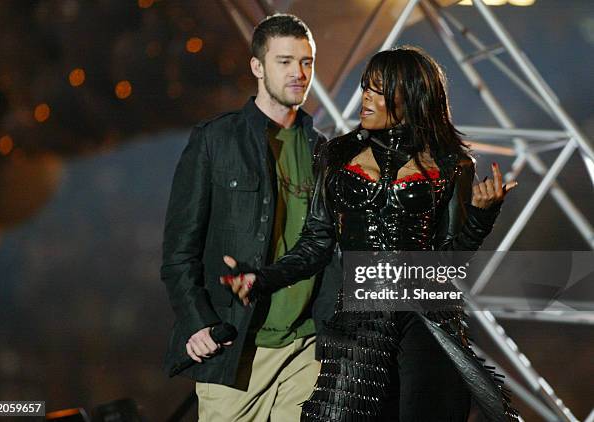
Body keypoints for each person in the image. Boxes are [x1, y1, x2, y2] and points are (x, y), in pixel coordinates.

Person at [222, 46, 520, 421]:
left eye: (379, 90)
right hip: (359, 319)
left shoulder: (453, 165)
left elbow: (448, 260)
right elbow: (316, 243)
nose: (366, 97)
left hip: (427, 318)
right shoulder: (336, 155)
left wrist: (481, 217)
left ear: (411, 96)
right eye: (366, 86)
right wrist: (262, 279)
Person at [160, 13, 342, 422]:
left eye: (306, 61)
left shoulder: (324, 152)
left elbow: (328, 248)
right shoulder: (215, 141)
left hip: (305, 351)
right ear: (257, 66)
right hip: (237, 351)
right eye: (284, 61)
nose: (299, 72)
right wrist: (199, 323)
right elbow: (178, 252)